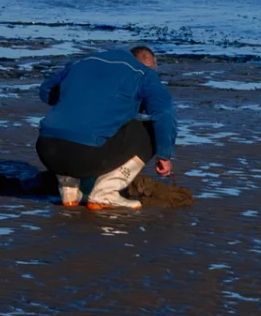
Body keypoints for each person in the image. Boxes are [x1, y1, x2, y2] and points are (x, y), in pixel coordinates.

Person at [35, 44, 176, 210]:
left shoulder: (82, 61)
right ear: (151, 66)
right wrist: (164, 155)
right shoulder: (143, 74)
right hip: (84, 155)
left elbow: (46, 90)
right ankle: (105, 192)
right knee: (151, 129)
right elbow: (164, 112)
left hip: (46, 149)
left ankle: (69, 189)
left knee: (75, 126)